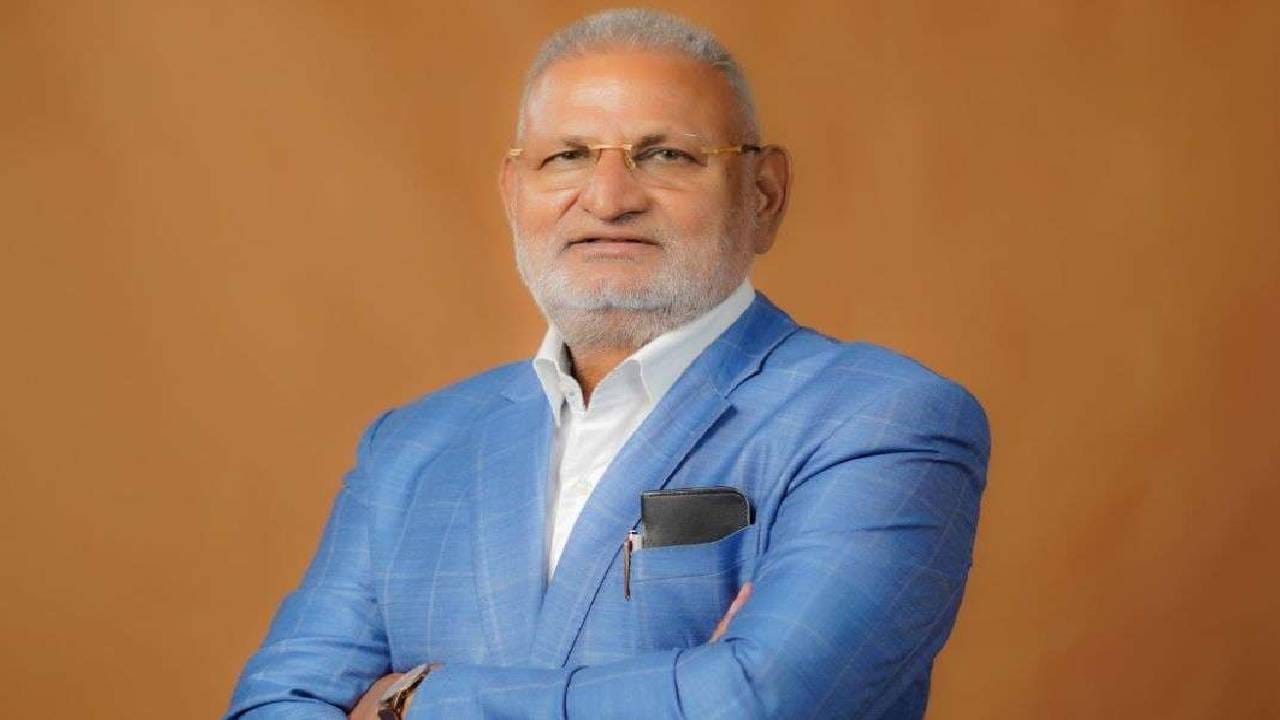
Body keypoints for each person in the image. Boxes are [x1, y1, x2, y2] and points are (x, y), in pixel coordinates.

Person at [225, 8, 990, 720]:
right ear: (513, 192)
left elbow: (757, 701)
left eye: (666, 154)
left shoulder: (882, 419)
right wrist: (685, 683)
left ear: (763, 194)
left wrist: (415, 703)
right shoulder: (411, 449)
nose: (609, 197)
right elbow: (274, 705)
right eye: (568, 156)